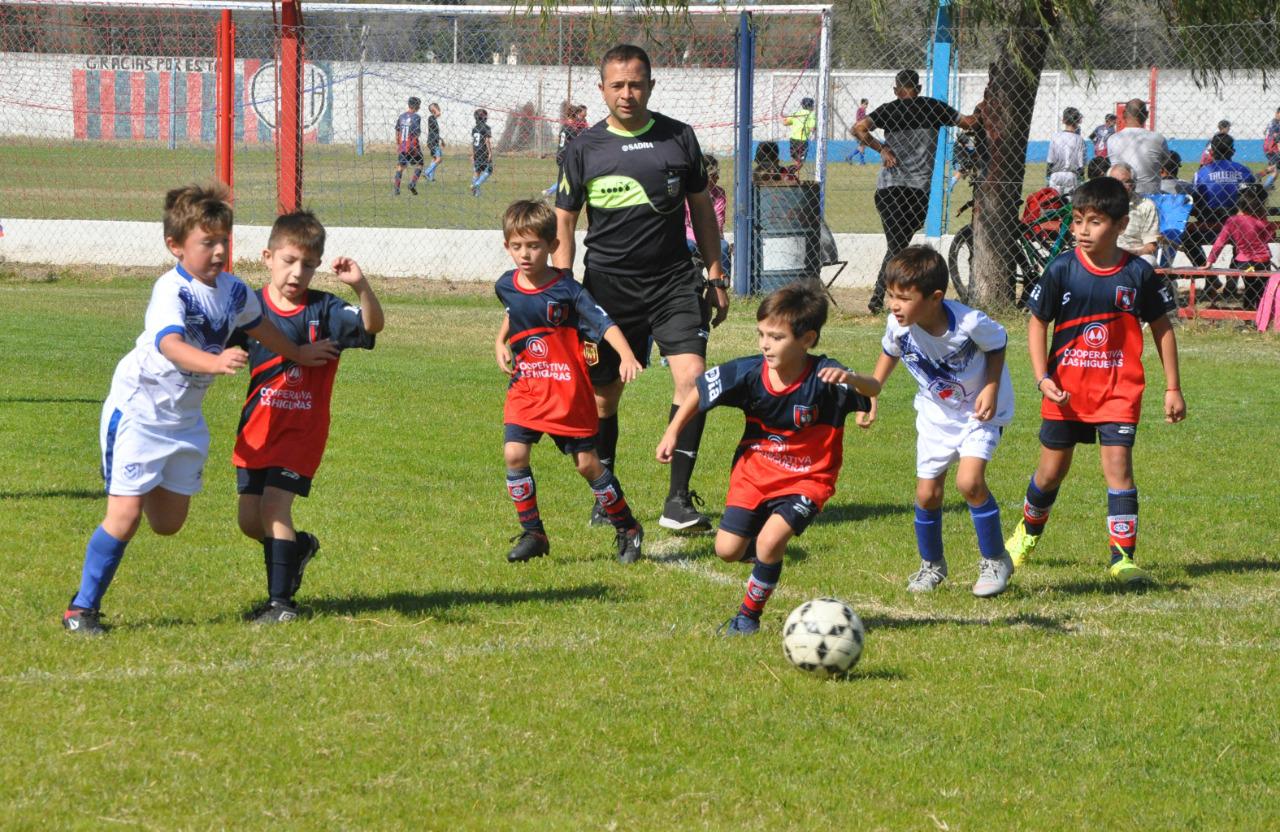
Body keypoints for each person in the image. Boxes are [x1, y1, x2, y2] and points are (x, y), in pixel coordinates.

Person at [62, 184, 338, 635]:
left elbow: (261, 327)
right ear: (176, 246)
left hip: (184, 422)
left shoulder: (232, 291)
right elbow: (169, 344)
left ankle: (134, 482)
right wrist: (214, 361)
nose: (219, 251)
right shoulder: (170, 290)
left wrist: (297, 353)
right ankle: (82, 609)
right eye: (207, 242)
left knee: (168, 524)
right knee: (126, 517)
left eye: (224, 240)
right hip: (140, 412)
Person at [554, 43, 730, 533]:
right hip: (607, 289)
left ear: (650, 85)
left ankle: (678, 502)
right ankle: (606, 494)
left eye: (635, 84)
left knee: (693, 380)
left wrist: (714, 275)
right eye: (617, 85)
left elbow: (701, 211)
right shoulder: (583, 147)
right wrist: (564, 291)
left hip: (675, 281)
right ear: (602, 89)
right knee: (605, 396)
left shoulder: (679, 137)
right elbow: (564, 224)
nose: (626, 94)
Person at [656, 281, 879, 635]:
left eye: (776, 337)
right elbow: (699, 391)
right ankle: (764, 560)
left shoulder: (825, 375)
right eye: (761, 334)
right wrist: (672, 431)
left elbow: (873, 389)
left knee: (770, 542)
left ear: (807, 339)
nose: (764, 344)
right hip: (754, 474)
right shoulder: (748, 372)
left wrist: (854, 381)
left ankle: (747, 617)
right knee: (727, 550)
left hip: (809, 477)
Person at [1006, 176, 1185, 586]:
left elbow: (1163, 328)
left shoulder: (1138, 274)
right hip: (1066, 392)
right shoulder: (1062, 269)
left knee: (1119, 468)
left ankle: (1122, 559)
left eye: (1095, 222)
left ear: (1121, 225)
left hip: (1118, 391)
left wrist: (1172, 387)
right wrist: (1041, 377)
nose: (1083, 230)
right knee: (1051, 472)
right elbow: (1037, 322)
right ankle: (1027, 535)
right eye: (1078, 221)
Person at [231, 211, 384, 624]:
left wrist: (361, 287)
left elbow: (373, 326)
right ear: (267, 257)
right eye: (289, 261)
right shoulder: (250, 309)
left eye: (309, 265)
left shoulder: (326, 309)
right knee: (250, 519)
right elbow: (220, 346)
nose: (298, 273)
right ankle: (297, 549)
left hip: (301, 431)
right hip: (257, 429)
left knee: (274, 508)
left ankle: (281, 605)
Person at [857, 246, 1016, 597]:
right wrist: (871, 395)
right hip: (935, 413)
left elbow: (999, 343)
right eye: (890, 295)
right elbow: (889, 353)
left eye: (903, 298)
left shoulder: (968, 323)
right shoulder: (898, 326)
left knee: (970, 483)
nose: (893, 305)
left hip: (980, 411)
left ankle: (995, 559)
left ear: (935, 298)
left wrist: (990, 387)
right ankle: (933, 566)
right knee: (927, 494)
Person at [495, 200, 646, 564]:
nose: (525, 254)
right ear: (507, 247)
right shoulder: (505, 285)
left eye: (533, 246)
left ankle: (627, 527)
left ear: (552, 246)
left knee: (587, 465)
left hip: (567, 392)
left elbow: (604, 322)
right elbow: (514, 313)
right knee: (514, 453)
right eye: (517, 246)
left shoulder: (568, 290)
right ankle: (534, 533)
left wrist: (626, 355)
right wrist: (500, 340)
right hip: (527, 388)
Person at [852, 69, 983, 314]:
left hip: (889, 189)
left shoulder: (887, 109)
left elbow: (858, 128)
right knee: (898, 244)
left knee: (898, 245)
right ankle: (880, 297)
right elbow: (969, 123)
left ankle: (886, 295)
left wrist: (882, 150)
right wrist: (981, 108)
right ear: (919, 88)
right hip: (918, 190)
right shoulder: (934, 107)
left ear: (895, 89)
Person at [1205, 183, 1275, 309]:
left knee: (1250, 288)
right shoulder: (1260, 221)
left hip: (1245, 263)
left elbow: (1220, 241)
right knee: (1261, 290)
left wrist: (1210, 260)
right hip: (1263, 261)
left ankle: (1248, 315)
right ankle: (1260, 314)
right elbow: (1270, 236)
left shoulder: (1232, 220)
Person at [1105, 99, 1168, 196]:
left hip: (1121, 195)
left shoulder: (1112, 139)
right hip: (1150, 194)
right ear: (1146, 115)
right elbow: (1164, 162)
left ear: (1124, 114)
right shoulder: (1158, 138)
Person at [684, 153, 731, 276]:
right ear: (703, 176)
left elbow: (718, 222)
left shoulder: (719, 194)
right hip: (690, 236)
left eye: (717, 174)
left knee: (724, 247)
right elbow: (684, 224)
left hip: (712, 234)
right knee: (687, 246)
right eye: (713, 175)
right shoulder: (687, 193)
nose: (717, 178)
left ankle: (721, 283)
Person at [1109, 162, 1160, 265]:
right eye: (1115, 182)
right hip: (1106, 253)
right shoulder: (1101, 204)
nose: (1120, 186)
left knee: (1148, 261)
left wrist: (1131, 254)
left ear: (1134, 184)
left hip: (1135, 256)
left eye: (1126, 182)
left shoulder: (1146, 205)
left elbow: (1151, 245)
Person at [545, 103, 587, 197]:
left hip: (562, 154)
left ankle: (551, 191)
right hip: (565, 156)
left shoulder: (566, 126)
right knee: (570, 177)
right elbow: (577, 140)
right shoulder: (570, 129)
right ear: (575, 115)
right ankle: (551, 191)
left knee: (569, 176)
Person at [1047, 106, 1085, 196]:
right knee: (1069, 204)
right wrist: (1081, 179)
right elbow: (1081, 163)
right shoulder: (1079, 139)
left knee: (1054, 204)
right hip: (1071, 175)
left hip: (1055, 174)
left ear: (1063, 120)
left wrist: (1048, 177)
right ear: (1077, 121)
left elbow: (1050, 160)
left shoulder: (1055, 137)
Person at [394, 96, 425, 196]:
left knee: (400, 166)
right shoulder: (416, 117)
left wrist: (398, 144)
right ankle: (412, 183)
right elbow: (417, 132)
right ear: (416, 106)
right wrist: (415, 145)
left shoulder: (401, 116)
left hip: (402, 145)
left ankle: (396, 189)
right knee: (420, 163)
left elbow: (397, 131)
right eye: (419, 105)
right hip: (412, 145)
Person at [783, 96, 816, 175]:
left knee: (796, 162)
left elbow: (785, 123)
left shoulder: (796, 113)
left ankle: (788, 174)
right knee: (800, 164)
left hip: (793, 140)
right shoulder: (811, 115)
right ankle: (785, 172)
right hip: (802, 142)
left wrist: (785, 118)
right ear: (811, 106)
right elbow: (812, 128)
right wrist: (815, 127)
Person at [470, 108, 493, 197]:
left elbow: (473, 142)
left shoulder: (475, 128)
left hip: (476, 151)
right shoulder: (486, 128)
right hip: (483, 151)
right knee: (489, 170)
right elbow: (487, 140)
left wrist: (472, 154)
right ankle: (475, 185)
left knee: (477, 171)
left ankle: (476, 194)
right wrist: (490, 152)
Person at [424, 102, 444, 182]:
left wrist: (441, 139)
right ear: (434, 110)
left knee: (434, 159)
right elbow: (439, 113)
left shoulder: (434, 119)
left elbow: (434, 132)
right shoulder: (431, 118)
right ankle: (426, 172)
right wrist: (434, 108)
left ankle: (431, 178)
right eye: (437, 107)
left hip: (433, 141)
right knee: (439, 159)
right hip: (432, 142)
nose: (439, 108)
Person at [848, 98, 869, 164]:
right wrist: (865, 118)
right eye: (865, 104)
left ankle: (850, 157)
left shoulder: (864, 111)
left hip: (862, 130)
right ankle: (861, 161)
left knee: (862, 146)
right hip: (858, 130)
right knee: (862, 146)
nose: (866, 105)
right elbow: (858, 119)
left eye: (867, 104)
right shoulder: (859, 110)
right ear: (861, 104)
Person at [1264, 107, 1280, 189]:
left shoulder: (1271, 122)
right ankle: (1266, 186)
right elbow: (1278, 139)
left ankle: (1260, 175)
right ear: (1277, 113)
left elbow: (1264, 132)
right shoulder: (1277, 125)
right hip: (1273, 148)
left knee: (1274, 168)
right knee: (1275, 171)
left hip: (1267, 146)